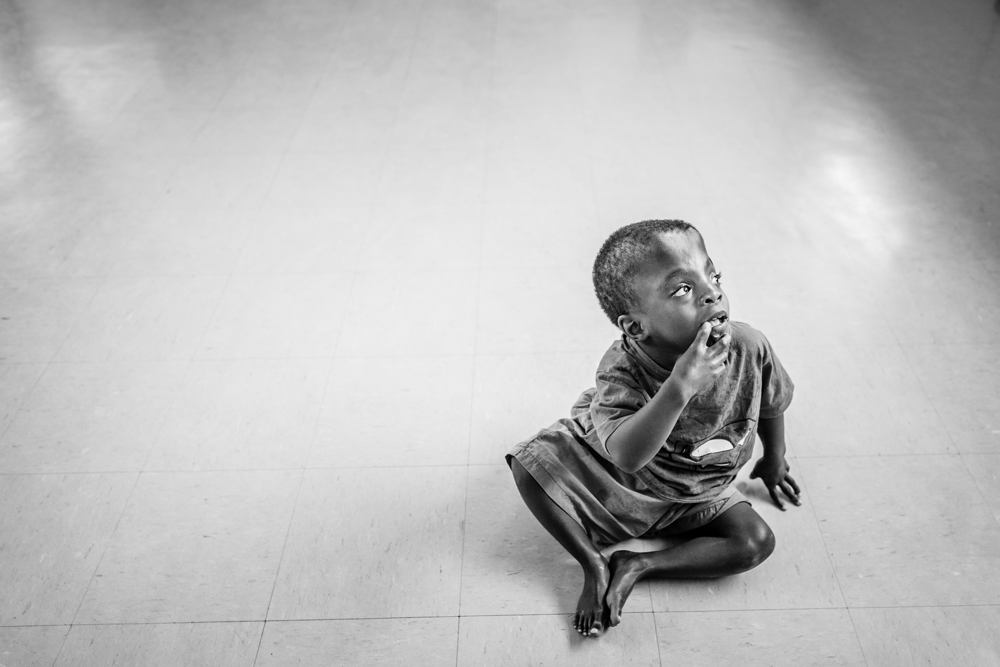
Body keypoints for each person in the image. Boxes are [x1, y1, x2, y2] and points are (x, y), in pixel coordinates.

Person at [506, 219, 800, 638]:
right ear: (636, 327)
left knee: (755, 543)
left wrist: (775, 457)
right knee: (529, 467)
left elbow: (770, 402)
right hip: (619, 475)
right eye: (683, 289)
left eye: (713, 276)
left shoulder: (749, 346)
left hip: (696, 488)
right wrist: (681, 386)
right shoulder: (620, 369)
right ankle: (592, 562)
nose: (712, 293)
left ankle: (638, 564)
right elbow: (627, 456)